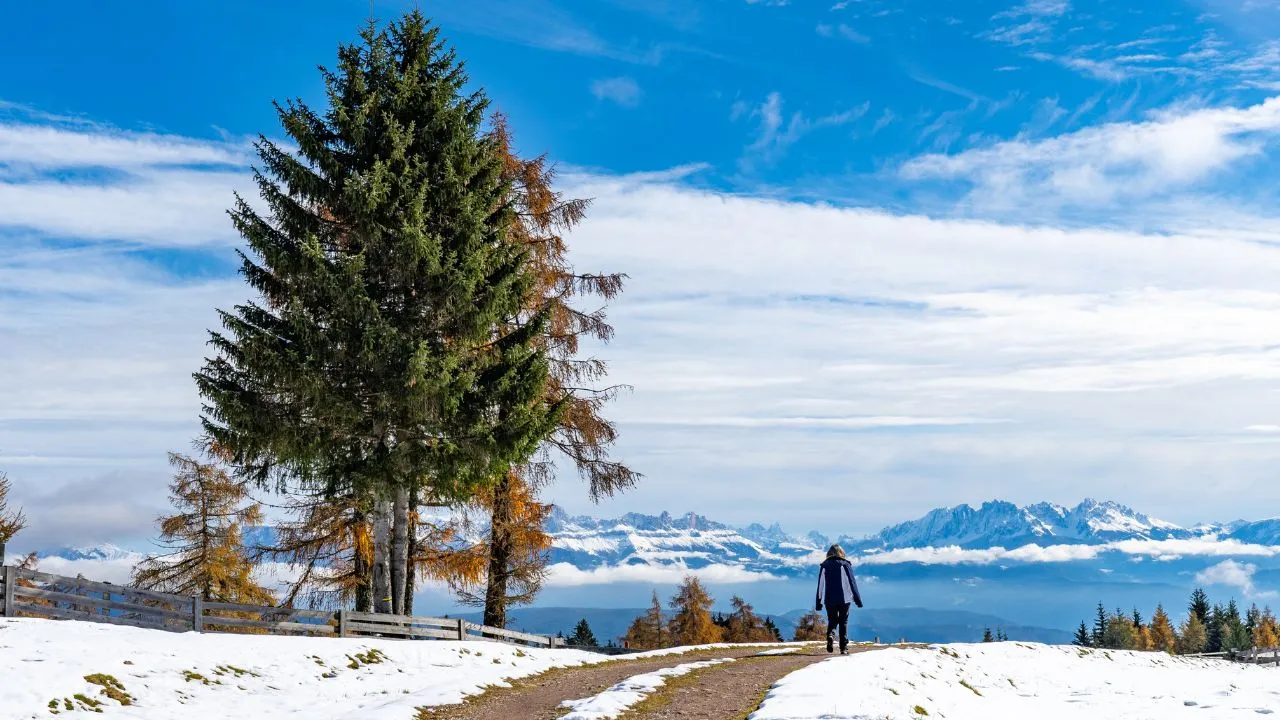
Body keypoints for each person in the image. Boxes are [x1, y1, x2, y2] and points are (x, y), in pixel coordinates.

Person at [815, 544, 862, 654]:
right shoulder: (845, 564)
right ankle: (843, 647)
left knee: (832, 620)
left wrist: (818, 602)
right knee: (843, 621)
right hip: (844, 599)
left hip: (829, 599)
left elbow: (820, 585)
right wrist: (857, 599)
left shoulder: (824, 565)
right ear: (841, 553)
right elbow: (852, 583)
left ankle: (830, 634)